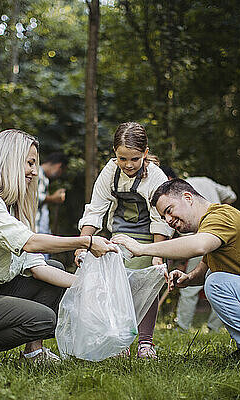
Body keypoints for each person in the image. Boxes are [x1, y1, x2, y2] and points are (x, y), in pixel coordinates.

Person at [0, 129, 116, 363]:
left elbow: (38, 268)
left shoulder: (14, 207)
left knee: (55, 267)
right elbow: (29, 243)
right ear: (10, 161)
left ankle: (33, 352)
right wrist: (85, 241)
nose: (34, 171)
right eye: (29, 163)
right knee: (43, 319)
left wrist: (90, 284)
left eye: (35, 164)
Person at [112, 179, 240, 369]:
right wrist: (187, 279)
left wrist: (142, 249)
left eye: (169, 210)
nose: (167, 220)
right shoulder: (210, 229)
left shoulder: (221, 216)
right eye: (163, 216)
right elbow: (203, 271)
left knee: (216, 283)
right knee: (213, 279)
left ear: (187, 198)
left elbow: (199, 247)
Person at [75, 122, 174, 359]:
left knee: (147, 286)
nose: (128, 165)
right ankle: (121, 342)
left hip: (148, 238)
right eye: (122, 158)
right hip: (118, 235)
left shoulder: (156, 177)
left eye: (135, 159)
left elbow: (160, 219)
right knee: (117, 287)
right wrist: (82, 244)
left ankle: (145, 343)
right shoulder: (110, 172)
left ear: (146, 154)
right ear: (114, 153)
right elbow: (96, 210)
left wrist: (156, 255)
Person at [178, 174, 237, 332]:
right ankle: (215, 328)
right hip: (220, 237)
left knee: (190, 288)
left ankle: (182, 327)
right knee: (221, 283)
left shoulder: (179, 190)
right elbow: (232, 195)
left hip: (199, 238)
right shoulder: (206, 181)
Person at [35, 153, 68, 259]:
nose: (58, 175)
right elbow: (33, 198)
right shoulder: (37, 174)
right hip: (36, 228)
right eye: (60, 172)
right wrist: (53, 198)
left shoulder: (44, 178)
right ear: (58, 166)